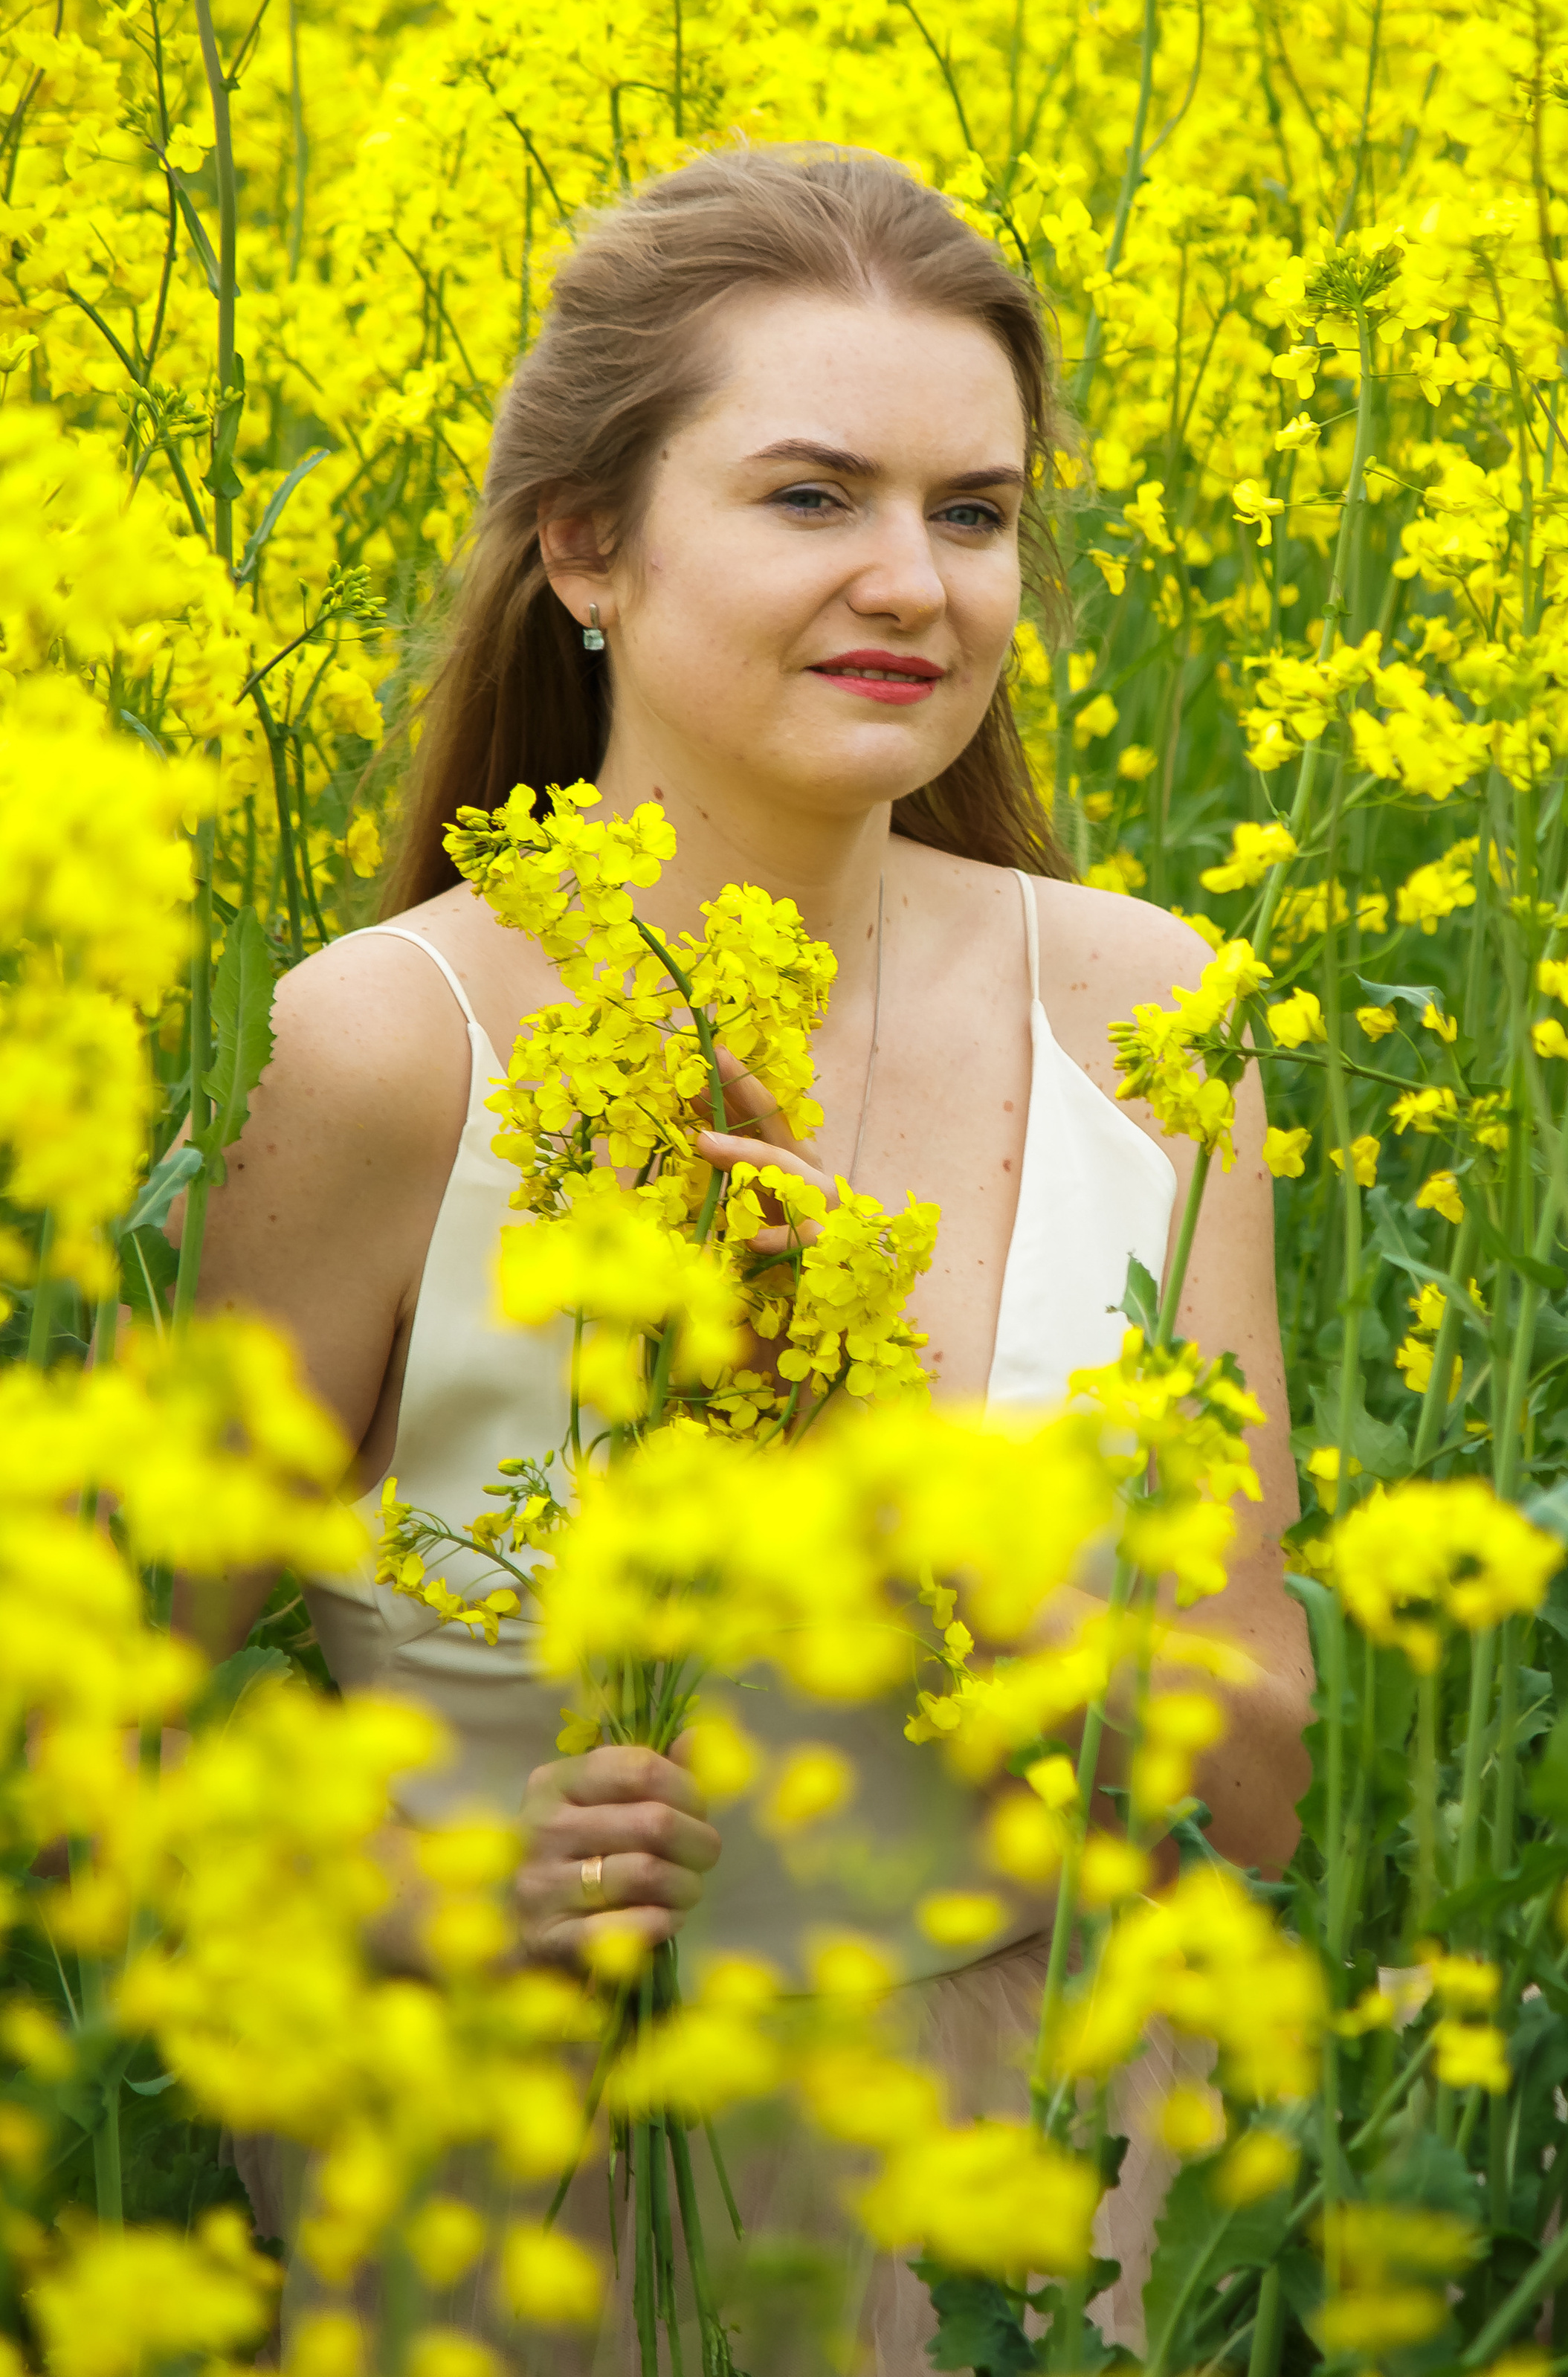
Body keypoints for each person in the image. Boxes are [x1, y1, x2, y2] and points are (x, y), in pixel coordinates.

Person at [192, 144, 1311, 2370]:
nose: (919, 581)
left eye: (974, 514)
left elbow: (1259, 1770)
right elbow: (86, 1712)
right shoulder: (390, 1046)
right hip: (530, 2178)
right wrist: (406, 1887)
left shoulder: (1149, 1013)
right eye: (814, 499)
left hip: (1042, 2166)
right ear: (586, 547)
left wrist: (888, 1451)